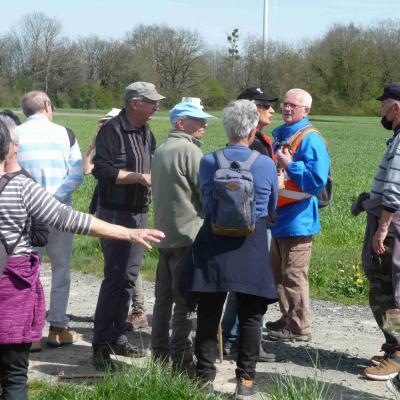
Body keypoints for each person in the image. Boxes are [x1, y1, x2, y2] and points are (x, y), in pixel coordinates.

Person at [0, 119, 164, 400]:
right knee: (14, 379)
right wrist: (128, 232)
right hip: (10, 291)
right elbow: (71, 219)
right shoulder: (21, 189)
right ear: (12, 148)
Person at [189, 100, 278, 398]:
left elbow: (205, 203)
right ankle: (246, 382)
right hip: (251, 244)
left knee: (208, 313)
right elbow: (272, 206)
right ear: (253, 131)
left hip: (214, 241)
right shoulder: (265, 163)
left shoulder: (210, 161)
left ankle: (204, 377)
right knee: (251, 316)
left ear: (227, 128)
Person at [91, 82, 165, 371]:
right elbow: (102, 170)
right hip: (114, 215)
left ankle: (117, 336)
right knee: (114, 279)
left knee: (128, 278)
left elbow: (155, 162)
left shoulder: (147, 132)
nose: (156, 107)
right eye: (151, 102)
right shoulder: (112, 130)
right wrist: (138, 177)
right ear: (135, 103)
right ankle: (99, 347)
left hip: (139, 214)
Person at [13, 91, 84, 348]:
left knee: (28, 270)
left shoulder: (15, 135)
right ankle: (57, 327)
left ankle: (30, 333)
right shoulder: (66, 134)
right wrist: (54, 199)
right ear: (47, 106)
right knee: (61, 269)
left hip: (27, 214)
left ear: (25, 111)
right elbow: (77, 173)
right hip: (61, 211)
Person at [150, 101, 213, 373]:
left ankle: (159, 354)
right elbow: (205, 195)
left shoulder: (161, 149)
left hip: (163, 234)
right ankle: (181, 360)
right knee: (184, 302)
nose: (204, 124)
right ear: (180, 123)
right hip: (188, 236)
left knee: (162, 299)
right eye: (197, 120)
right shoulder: (191, 152)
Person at [266, 88, 330, 342]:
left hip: (299, 219)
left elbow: (317, 181)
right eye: (285, 103)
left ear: (306, 110)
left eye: (294, 105)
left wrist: (289, 165)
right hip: (280, 216)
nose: (287, 108)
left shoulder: (311, 139)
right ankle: (287, 317)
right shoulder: (283, 134)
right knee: (278, 274)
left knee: (293, 274)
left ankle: (300, 325)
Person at [221, 87, 278, 363]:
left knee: (236, 284)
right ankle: (239, 340)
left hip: (228, 224)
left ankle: (231, 337)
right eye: (265, 105)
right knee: (246, 285)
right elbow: (268, 198)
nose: (270, 110)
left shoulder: (259, 141)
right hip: (252, 226)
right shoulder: (254, 149)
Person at [82, 108, 148, 329]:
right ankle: (107, 331)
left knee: (128, 272)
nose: (103, 127)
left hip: (133, 209)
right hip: (112, 210)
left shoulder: (144, 134)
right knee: (117, 273)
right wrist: (92, 146)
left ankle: (129, 316)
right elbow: (91, 170)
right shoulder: (111, 137)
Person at [353, 83, 400, 382]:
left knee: (385, 292)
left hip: (392, 228)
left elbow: (394, 190)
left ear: (396, 108)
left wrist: (381, 230)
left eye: (384, 104)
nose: (380, 109)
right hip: (390, 223)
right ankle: (394, 346)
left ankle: (397, 355)